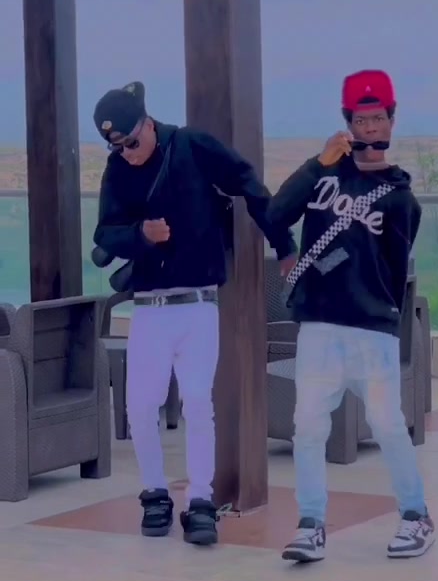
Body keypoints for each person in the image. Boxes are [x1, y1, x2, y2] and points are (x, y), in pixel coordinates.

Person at [93, 82, 296, 545]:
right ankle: (155, 494)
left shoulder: (192, 146)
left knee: (198, 401)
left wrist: (283, 243)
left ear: (147, 124)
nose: (127, 153)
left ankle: (201, 501)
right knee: (140, 406)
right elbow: (105, 233)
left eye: (131, 142)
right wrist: (141, 235)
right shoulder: (118, 169)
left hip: (199, 305)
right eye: (117, 147)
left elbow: (248, 184)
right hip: (149, 308)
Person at [267, 70, 434, 563]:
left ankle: (416, 515)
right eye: (361, 120)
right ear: (347, 123)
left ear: (391, 121)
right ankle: (311, 523)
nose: (370, 128)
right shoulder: (324, 175)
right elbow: (275, 216)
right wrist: (317, 164)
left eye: (377, 118)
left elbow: (390, 269)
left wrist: (369, 301)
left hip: (370, 328)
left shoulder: (401, 196)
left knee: (386, 424)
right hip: (319, 324)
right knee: (307, 426)